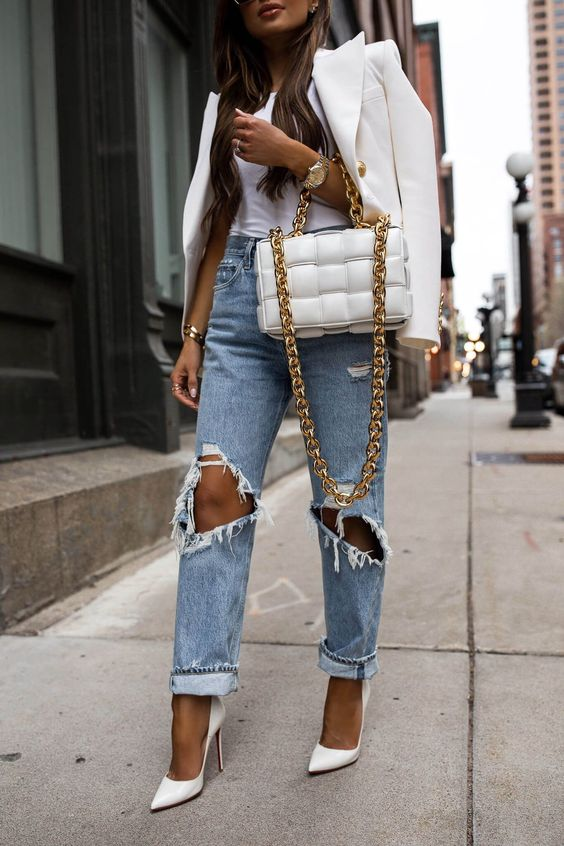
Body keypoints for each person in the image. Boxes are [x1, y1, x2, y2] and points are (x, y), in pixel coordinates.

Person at [151, 0, 441, 812]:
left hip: (336, 300)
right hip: (241, 304)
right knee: (213, 496)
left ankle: (349, 683)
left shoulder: (362, 73)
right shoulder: (223, 104)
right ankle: (195, 705)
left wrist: (297, 156)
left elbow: (386, 211)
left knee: (346, 507)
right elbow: (217, 222)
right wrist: (194, 332)